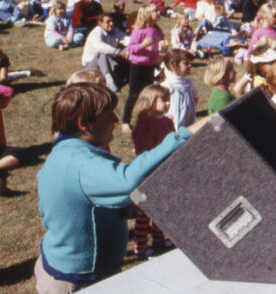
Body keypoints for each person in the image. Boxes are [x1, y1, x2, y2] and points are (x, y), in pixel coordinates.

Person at [35, 83, 194, 291]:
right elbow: (127, 181)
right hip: (76, 281)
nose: (116, 120)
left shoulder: (63, 153)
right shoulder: (82, 164)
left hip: (64, 267)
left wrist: (124, 210)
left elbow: (72, 203)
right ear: (84, 124)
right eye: (109, 115)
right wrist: (180, 138)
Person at [129, 85, 175, 258]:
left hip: (165, 171)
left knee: (161, 208)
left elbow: (173, 142)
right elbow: (144, 153)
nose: (168, 103)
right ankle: (139, 245)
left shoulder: (167, 121)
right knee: (145, 211)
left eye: (168, 99)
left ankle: (158, 238)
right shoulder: (145, 125)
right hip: (150, 173)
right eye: (163, 100)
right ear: (150, 101)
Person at [122, 4, 164, 134]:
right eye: (155, 11)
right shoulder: (139, 31)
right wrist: (143, 45)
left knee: (148, 93)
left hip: (151, 65)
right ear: (147, 15)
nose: (158, 12)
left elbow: (160, 45)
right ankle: (125, 121)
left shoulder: (157, 30)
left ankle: (145, 118)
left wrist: (162, 51)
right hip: (138, 66)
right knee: (134, 93)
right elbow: (131, 48)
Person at [81, 15, 129, 92]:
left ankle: (128, 76)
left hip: (108, 60)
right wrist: (118, 52)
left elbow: (127, 39)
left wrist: (132, 48)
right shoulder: (95, 33)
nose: (111, 23)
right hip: (91, 65)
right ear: (100, 23)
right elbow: (101, 47)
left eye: (112, 21)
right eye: (108, 22)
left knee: (129, 49)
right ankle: (110, 82)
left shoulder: (115, 30)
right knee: (102, 53)